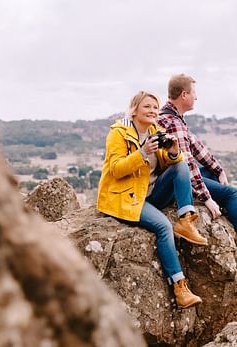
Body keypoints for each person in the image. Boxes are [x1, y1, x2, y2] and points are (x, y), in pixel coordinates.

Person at [157, 74, 237, 265]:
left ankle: (235, 213)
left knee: (212, 176)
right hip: (175, 183)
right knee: (231, 193)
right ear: (184, 95)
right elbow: (188, 164)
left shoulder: (175, 117)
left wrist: (219, 170)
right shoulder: (172, 122)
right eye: (194, 93)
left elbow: (197, 148)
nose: (196, 97)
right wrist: (208, 200)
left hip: (179, 178)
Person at [97, 90, 206, 309]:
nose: (153, 111)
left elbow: (170, 163)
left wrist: (174, 152)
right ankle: (180, 288)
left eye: (156, 108)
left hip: (153, 193)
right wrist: (142, 152)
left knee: (181, 165)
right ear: (135, 109)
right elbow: (116, 170)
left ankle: (185, 219)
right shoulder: (118, 133)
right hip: (127, 198)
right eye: (147, 107)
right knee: (164, 227)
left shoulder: (157, 131)